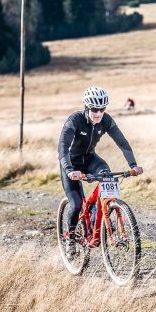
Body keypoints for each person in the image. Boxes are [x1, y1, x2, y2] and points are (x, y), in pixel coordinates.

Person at [58, 86, 143, 253]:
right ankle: (71, 238)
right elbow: (63, 147)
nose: (98, 113)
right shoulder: (75, 120)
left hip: (90, 159)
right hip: (71, 164)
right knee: (76, 205)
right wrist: (69, 169)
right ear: (87, 107)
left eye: (102, 109)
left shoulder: (106, 120)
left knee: (107, 177)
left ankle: (101, 215)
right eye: (94, 110)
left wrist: (133, 165)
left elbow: (122, 143)